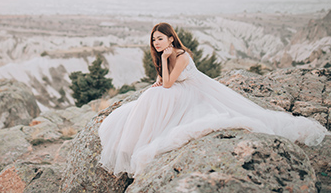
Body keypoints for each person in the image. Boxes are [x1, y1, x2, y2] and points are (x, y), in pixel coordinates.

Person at [98, 22, 329, 178]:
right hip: (176, 89)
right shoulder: (164, 54)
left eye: (160, 39)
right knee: (150, 94)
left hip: (191, 91)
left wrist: (164, 69)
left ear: (170, 39)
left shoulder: (181, 55)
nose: (156, 43)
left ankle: (137, 142)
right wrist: (159, 75)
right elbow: (162, 80)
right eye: (153, 40)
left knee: (156, 95)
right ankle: (130, 143)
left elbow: (169, 83)